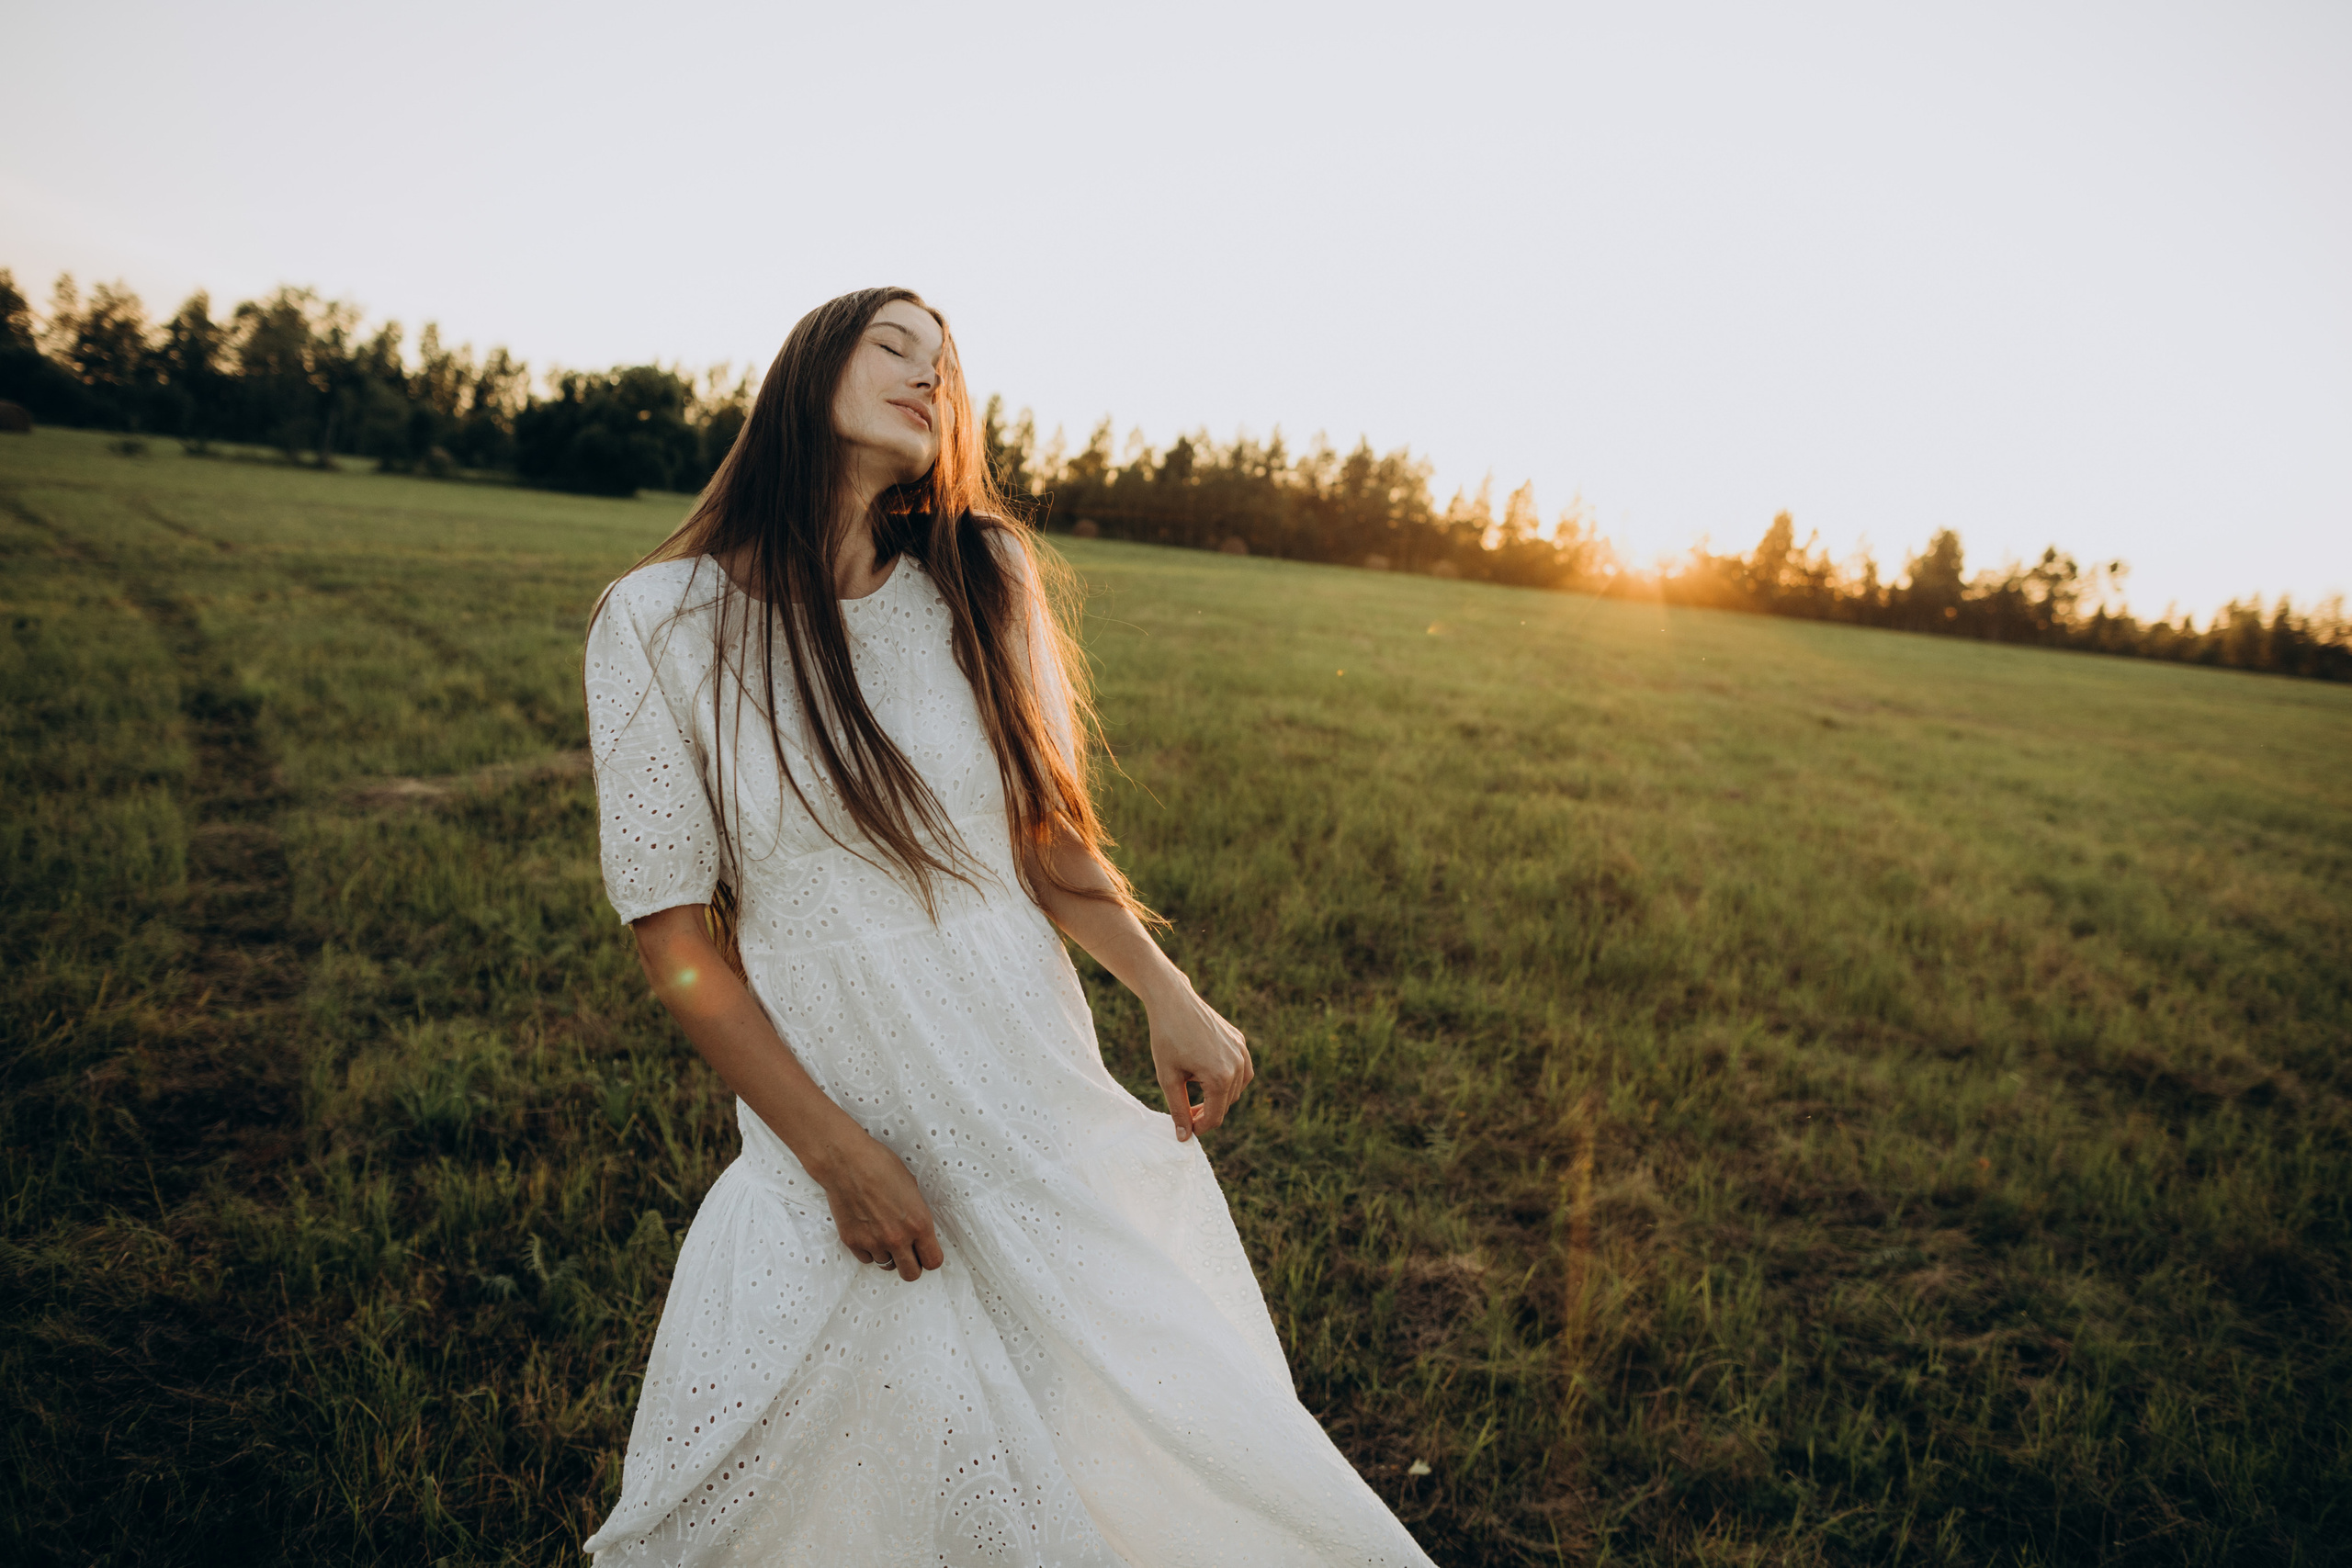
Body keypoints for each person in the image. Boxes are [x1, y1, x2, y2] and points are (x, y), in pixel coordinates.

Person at [580, 287, 1433, 1566]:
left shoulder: (978, 578)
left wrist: (1165, 990)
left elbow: (1044, 835)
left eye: (946, 363)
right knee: (818, 1465)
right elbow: (675, 940)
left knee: (1110, 1422)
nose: (930, 376)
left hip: (1021, 1074)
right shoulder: (659, 622)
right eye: (894, 346)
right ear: (807, 373)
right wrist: (834, 1154)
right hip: (838, 1095)